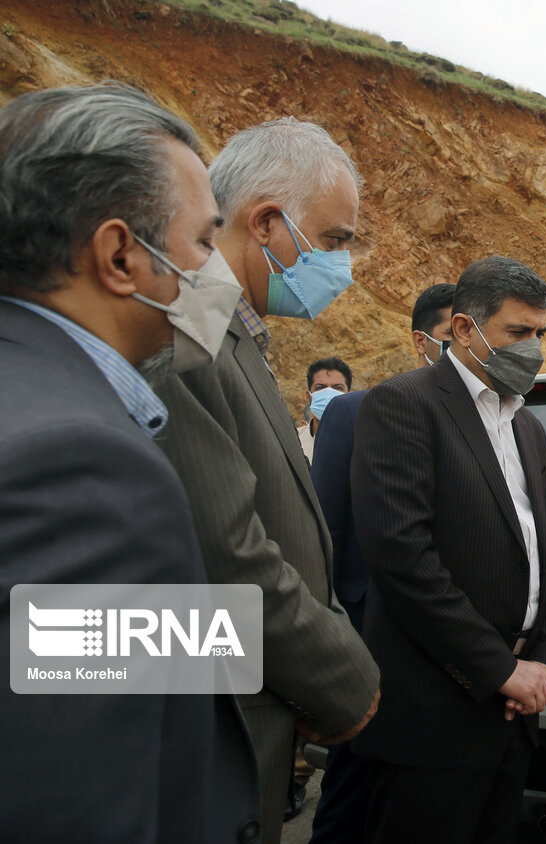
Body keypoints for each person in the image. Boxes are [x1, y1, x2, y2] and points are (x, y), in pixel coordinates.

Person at [0, 82, 259, 843]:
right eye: (206, 242)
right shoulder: (78, 467)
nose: (216, 269)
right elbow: (77, 802)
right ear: (121, 254)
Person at [152, 117, 380, 844]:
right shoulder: (186, 334)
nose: (343, 263)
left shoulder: (234, 335)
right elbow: (230, 549)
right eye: (336, 239)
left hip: (257, 692)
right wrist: (337, 680)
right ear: (268, 222)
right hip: (217, 712)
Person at [350, 256, 546, 844]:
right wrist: (499, 669)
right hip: (434, 715)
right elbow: (403, 557)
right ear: (464, 328)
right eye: (518, 332)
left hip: (516, 710)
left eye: (540, 334)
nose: (533, 348)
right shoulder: (404, 404)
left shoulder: (526, 424)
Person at [307, 282, 455, 844]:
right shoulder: (356, 411)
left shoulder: (499, 419)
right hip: (371, 645)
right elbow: (329, 531)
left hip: (455, 653)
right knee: (354, 796)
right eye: (453, 336)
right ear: (423, 342)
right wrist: (339, 641)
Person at [298, 356, 353, 461]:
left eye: (338, 388)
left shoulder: (362, 443)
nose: (328, 394)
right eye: (320, 388)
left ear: (349, 396)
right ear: (309, 397)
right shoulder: (294, 441)